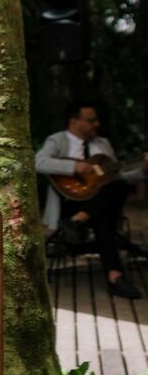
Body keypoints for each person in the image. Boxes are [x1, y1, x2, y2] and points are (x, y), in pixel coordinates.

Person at [35, 101, 147, 300]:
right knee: (107, 214)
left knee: (116, 188)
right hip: (69, 203)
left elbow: (116, 176)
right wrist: (74, 168)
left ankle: (78, 223)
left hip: (99, 202)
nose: (97, 124)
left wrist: (142, 171)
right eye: (91, 120)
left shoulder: (103, 143)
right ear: (74, 121)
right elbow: (38, 162)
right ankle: (114, 276)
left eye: (96, 120)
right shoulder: (58, 140)